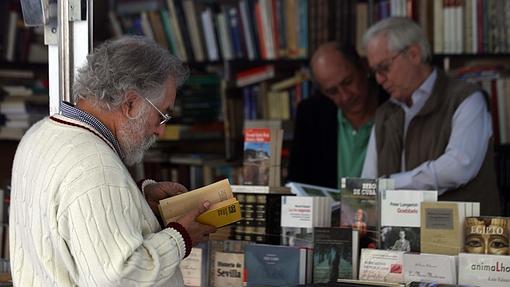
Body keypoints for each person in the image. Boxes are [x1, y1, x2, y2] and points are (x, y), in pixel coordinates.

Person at [9, 36, 217, 286]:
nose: (160, 131)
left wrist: (139, 200)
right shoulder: (95, 164)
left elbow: (74, 224)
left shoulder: (39, 134)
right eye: (162, 115)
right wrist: (181, 237)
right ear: (130, 103)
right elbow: (119, 275)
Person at [361, 17, 501, 215]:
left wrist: (392, 184)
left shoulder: (466, 98)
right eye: (374, 71)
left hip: (462, 239)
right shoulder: (385, 114)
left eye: (384, 67)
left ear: (414, 54)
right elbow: (369, 183)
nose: (379, 79)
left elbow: (459, 167)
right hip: (397, 240)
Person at [287, 42, 387, 188]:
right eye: (332, 91)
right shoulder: (312, 113)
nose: (345, 96)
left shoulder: (393, 104)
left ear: (363, 67)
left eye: (348, 82)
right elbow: (297, 182)